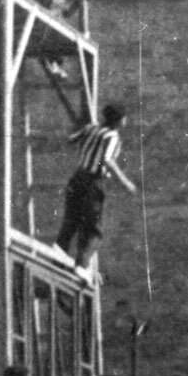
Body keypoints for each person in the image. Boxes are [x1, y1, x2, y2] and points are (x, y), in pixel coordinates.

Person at [54, 104, 138, 268]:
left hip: (77, 178)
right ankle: (82, 265)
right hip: (93, 182)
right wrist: (125, 182)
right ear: (119, 120)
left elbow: (70, 140)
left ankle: (57, 259)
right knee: (93, 229)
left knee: (70, 222)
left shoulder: (90, 128)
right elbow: (107, 160)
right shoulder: (112, 136)